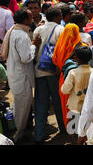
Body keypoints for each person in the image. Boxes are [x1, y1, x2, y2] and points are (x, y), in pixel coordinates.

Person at [4, 9, 41, 143]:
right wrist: (34, 46)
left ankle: (16, 132)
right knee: (22, 107)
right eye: (31, 18)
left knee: (19, 105)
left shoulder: (14, 31)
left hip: (16, 74)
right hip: (22, 76)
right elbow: (26, 58)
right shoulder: (22, 35)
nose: (32, 20)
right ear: (25, 20)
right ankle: (16, 136)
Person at [32, 7, 67, 143]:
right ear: (58, 17)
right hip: (55, 72)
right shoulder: (60, 30)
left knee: (41, 102)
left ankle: (39, 134)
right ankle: (63, 129)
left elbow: (33, 49)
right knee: (58, 102)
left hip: (39, 70)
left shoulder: (38, 29)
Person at [52, 23, 84, 127]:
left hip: (63, 79)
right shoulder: (81, 47)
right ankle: (79, 129)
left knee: (66, 104)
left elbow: (55, 61)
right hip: (79, 78)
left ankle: (69, 127)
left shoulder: (59, 46)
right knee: (79, 103)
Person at [61, 46, 93, 141]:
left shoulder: (72, 73)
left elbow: (64, 90)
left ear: (77, 58)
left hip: (75, 108)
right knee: (88, 133)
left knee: (73, 132)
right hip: (90, 108)